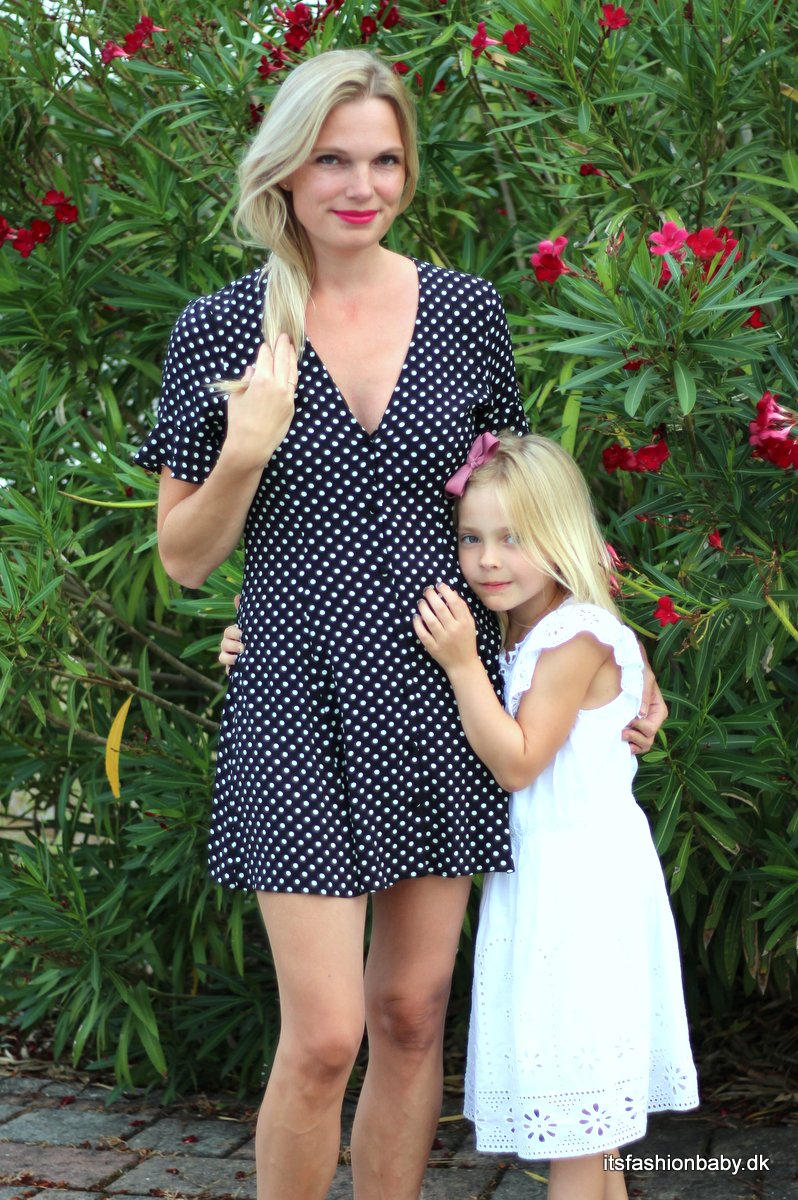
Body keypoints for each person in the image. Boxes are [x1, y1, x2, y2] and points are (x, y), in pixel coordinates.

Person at [136, 48, 665, 1200]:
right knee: (326, 1035)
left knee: (413, 1013)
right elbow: (182, 557)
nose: (361, 186)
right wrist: (246, 448)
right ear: (286, 170)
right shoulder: (220, 332)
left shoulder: (467, 313)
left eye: (384, 160)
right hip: (295, 698)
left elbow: (522, 511)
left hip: (442, 688)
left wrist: (620, 656)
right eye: (333, 160)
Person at [412, 431, 699, 1200]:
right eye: (471, 538)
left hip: (579, 891)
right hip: (551, 882)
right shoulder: (530, 625)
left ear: (561, 536)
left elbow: (518, 762)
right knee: (593, 1135)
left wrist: (461, 664)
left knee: (578, 1129)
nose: (488, 560)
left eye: (514, 538)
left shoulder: (571, 636)